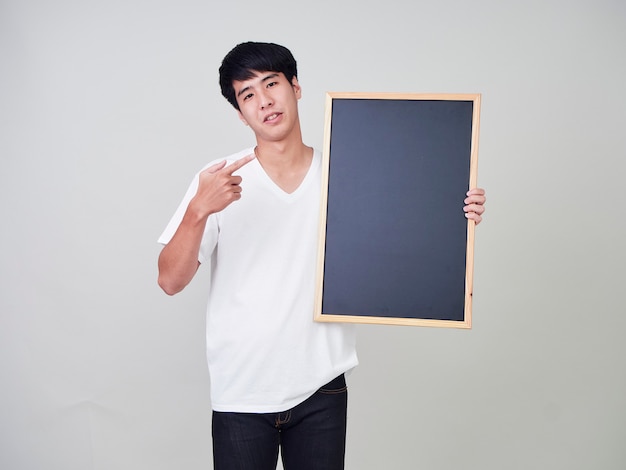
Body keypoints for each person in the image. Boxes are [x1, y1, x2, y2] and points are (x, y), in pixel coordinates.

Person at [157, 41, 486, 470]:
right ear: (240, 113)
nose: (264, 101)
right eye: (248, 94)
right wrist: (199, 209)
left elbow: (404, 226)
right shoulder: (220, 180)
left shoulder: (348, 173)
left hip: (320, 386)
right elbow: (170, 280)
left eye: (272, 84)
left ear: (295, 87)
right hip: (241, 388)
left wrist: (455, 211)